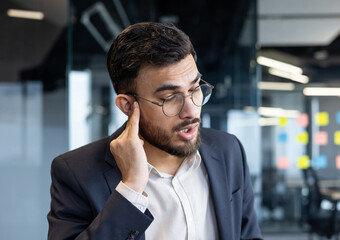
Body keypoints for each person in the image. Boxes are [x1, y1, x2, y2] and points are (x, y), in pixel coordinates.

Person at [47, 22, 263, 240]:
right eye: (170, 98)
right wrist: (130, 190)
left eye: (194, 89)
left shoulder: (228, 150)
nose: (191, 110)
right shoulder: (77, 173)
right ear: (127, 106)